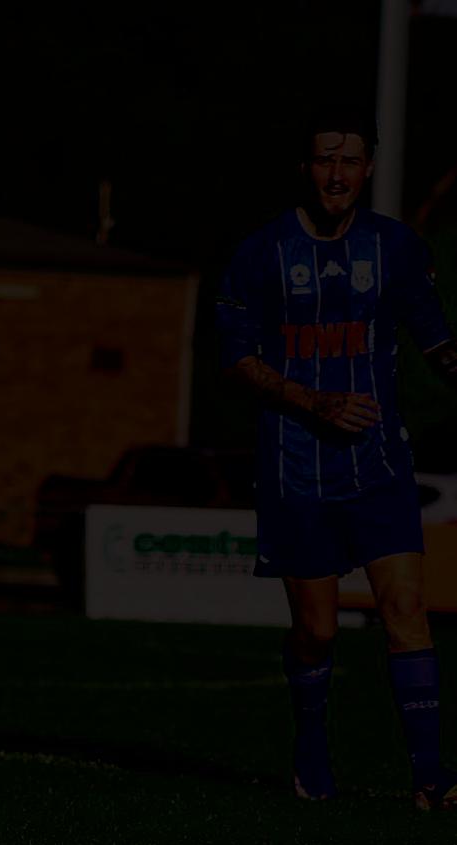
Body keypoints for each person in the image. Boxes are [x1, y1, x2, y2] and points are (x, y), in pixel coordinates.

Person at [217, 107, 457, 809]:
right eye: (325, 159)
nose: (337, 174)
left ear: (368, 168)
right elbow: (236, 358)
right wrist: (312, 401)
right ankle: (311, 742)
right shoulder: (260, 252)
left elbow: (436, 341)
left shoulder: (396, 247)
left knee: (405, 607)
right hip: (296, 467)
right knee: (317, 631)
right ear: (305, 167)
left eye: (350, 161)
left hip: (379, 463)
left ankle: (430, 778)